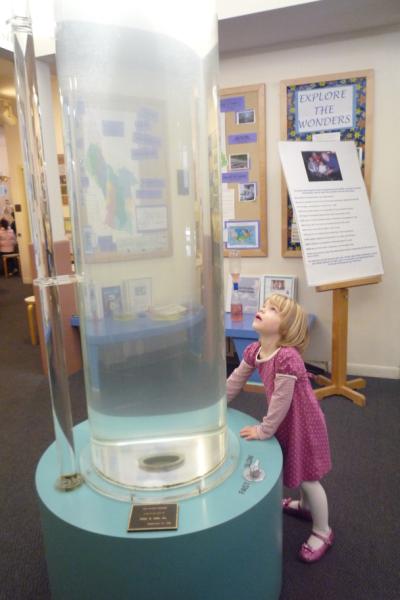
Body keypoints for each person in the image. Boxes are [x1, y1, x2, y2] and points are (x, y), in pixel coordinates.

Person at [227, 293, 333, 563]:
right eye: (264, 306)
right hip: (286, 419)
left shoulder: (287, 357)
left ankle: (323, 531)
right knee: (297, 465)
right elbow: (237, 379)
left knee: (309, 478)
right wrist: (218, 404)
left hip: (303, 422)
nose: (263, 309)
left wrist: (264, 430)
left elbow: (281, 400)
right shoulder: (255, 350)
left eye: (272, 309)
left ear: (286, 327)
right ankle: (305, 507)